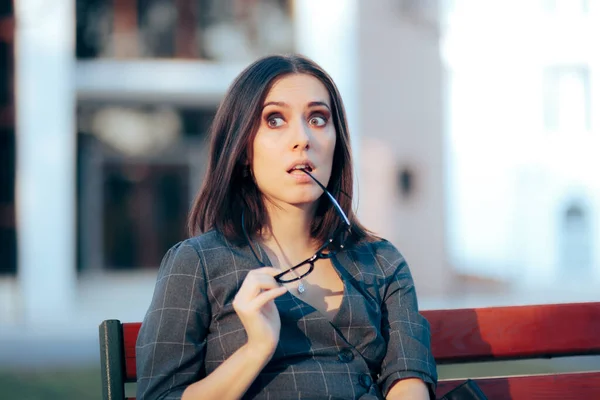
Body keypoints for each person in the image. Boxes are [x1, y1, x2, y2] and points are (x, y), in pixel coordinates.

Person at [136, 54, 437, 400]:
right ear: (243, 148)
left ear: (337, 143)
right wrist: (256, 348)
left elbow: (409, 380)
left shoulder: (382, 262)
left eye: (318, 118)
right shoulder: (197, 264)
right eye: (275, 119)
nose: (303, 138)